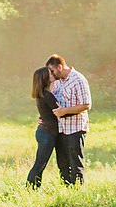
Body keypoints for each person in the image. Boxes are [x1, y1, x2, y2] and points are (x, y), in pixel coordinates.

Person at [46, 54, 91, 186]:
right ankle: (67, 191)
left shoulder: (78, 79)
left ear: (60, 67)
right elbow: (53, 102)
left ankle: (78, 193)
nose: (52, 75)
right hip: (61, 129)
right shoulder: (58, 82)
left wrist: (65, 111)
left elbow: (87, 105)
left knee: (75, 164)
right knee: (63, 164)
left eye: (53, 71)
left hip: (75, 128)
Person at [26, 64, 60, 189]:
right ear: (45, 78)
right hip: (47, 134)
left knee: (41, 163)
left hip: (43, 132)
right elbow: (60, 112)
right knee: (40, 164)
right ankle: (30, 189)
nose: (53, 74)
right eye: (50, 73)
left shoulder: (42, 95)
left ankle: (34, 188)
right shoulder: (47, 95)